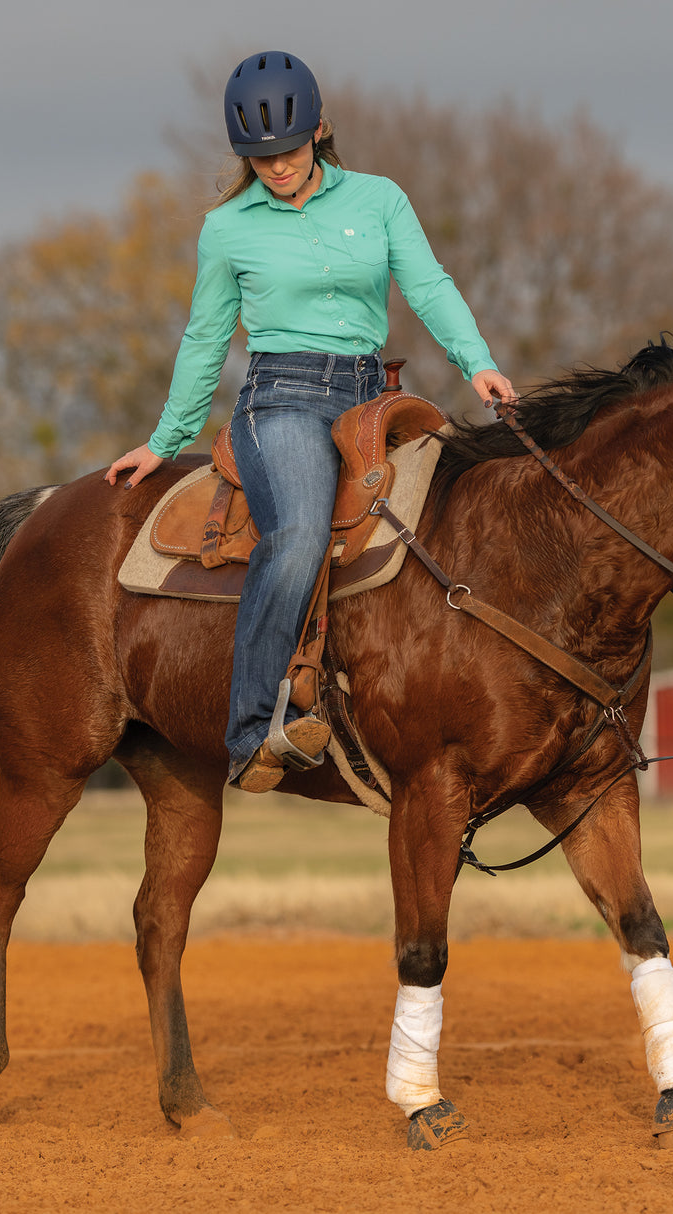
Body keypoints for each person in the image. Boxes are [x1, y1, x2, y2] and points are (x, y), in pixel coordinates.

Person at [105, 50, 516, 793]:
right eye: (260, 159)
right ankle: (251, 728)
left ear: (319, 131)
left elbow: (428, 284)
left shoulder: (380, 200)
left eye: (289, 152)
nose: (277, 169)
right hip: (280, 399)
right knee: (296, 536)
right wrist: (165, 442)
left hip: (372, 394)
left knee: (468, 509)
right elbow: (205, 340)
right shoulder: (226, 228)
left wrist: (476, 362)